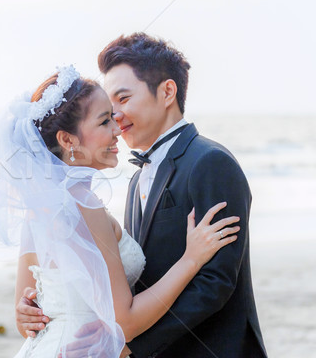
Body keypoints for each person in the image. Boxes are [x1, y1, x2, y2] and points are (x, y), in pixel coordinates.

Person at [17, 34, 268, 357]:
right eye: (108, 110)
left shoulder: (210, 162)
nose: (116, 118)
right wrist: (41, 302)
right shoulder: (135, 181)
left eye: (123, 99)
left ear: (167, 92)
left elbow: (215, 284)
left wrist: (130, 343)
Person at [0, 65, 240, 357]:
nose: (117, 129)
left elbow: (26, 315)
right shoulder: (84, 203)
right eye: (104, 121)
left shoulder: (41, 207)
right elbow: (125, 322)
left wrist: (25, 316)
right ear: (68, 140)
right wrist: (191, 259)